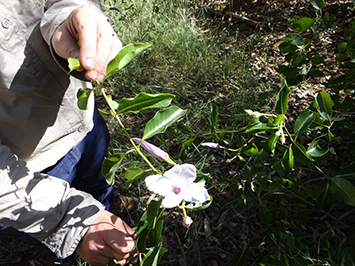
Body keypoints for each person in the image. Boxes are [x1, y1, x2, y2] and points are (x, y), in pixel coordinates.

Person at [0, 0, 136, 265]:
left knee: (98, 181)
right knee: (68, 242)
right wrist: (70, 222)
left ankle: (106, 205)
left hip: (82, 119)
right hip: (27, 170)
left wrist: (73, 15)